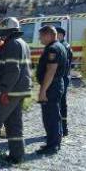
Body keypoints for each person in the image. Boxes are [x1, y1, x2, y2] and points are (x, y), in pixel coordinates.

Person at [0, 17, 33, 164]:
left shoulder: (12, 45)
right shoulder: (22, 44)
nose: (1, 35)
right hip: (20, 89)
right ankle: (17, 155)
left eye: (2, 32)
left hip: (11, 91)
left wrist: (3, 91)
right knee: (13, 122)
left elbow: (12, 71)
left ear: (7, 31)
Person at [36, 25, 68, 155]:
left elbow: (50, 71)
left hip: (52, 86)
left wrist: (43, 91)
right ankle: (53, 142)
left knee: (51, 117)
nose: (39, 39)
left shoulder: (53, 48)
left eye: (41, 36)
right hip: (55, 85)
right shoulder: (59, 45)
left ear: (49, 35)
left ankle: (53, 145)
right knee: (54, 115)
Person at [56, 27, 73, 136]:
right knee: (61, 103)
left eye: (56, 34)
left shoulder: (63, 46)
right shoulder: (65, 45)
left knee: (60, 103)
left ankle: (62, 129)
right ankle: (62, 129)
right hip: (64, 77)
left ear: (60, 35)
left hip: (62, 77)